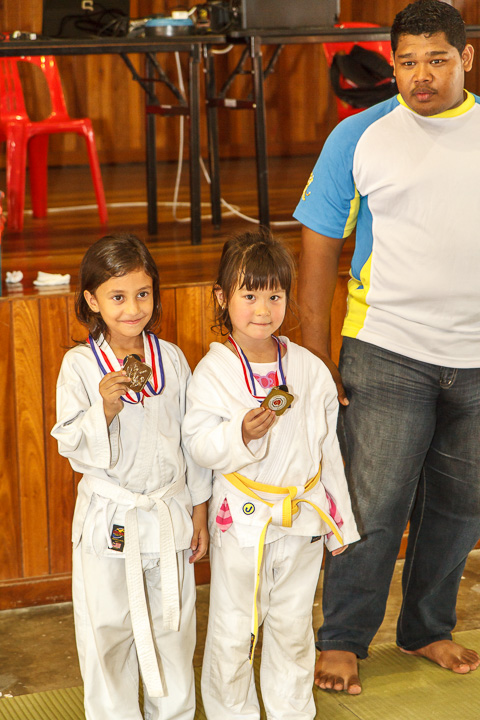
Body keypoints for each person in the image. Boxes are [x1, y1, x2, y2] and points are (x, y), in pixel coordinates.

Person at [293, 0, 480, 697]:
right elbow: (319, 246)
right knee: (370, 506)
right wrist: (315, 355)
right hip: (386, 349)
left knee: (461, 505)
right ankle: (343, 638)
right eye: (407, 62)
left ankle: (426, 627)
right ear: (392, 66)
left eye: (436, 59)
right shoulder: (358, 136)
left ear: (466, 58)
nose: (420, 75)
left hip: (477, 357)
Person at [182, 229, 360, 720]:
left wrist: (337, 522)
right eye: (249, 296)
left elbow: (327, 452)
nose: (263, 310)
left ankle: (292, 712)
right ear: (222, 297)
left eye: (275, 296)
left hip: (300, 519)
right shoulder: (212, 372)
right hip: (242, 523)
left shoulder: (309, 369)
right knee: (234, 630)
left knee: (292, 628)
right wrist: (239, 434)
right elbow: (197, 445)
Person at [51, 233, 211, 720]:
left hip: (167, 513)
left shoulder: (173, 359)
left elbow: (193, 441)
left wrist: (199, 511)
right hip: (110, 517)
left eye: (142, 294)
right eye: (117, 297)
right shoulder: (80, 366)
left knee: (173, 632)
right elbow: (69, 442)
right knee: (107, 634)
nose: (133, 308)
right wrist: (104, 406)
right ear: (91, 300)